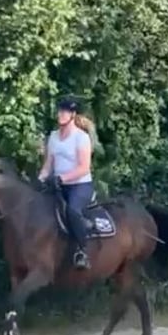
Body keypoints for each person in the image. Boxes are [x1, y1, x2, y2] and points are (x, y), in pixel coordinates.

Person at [38, 96, 96, 269]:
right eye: (60, 110)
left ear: (73, 114)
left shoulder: (81, 137)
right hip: (57, 185)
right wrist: (41, 178)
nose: (60, 114)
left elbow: (84, 168)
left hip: (80, 186)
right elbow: (48, 165)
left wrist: (62, 178)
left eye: (65, 111)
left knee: (72, 210)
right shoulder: (53, 137)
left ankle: (82, 251)